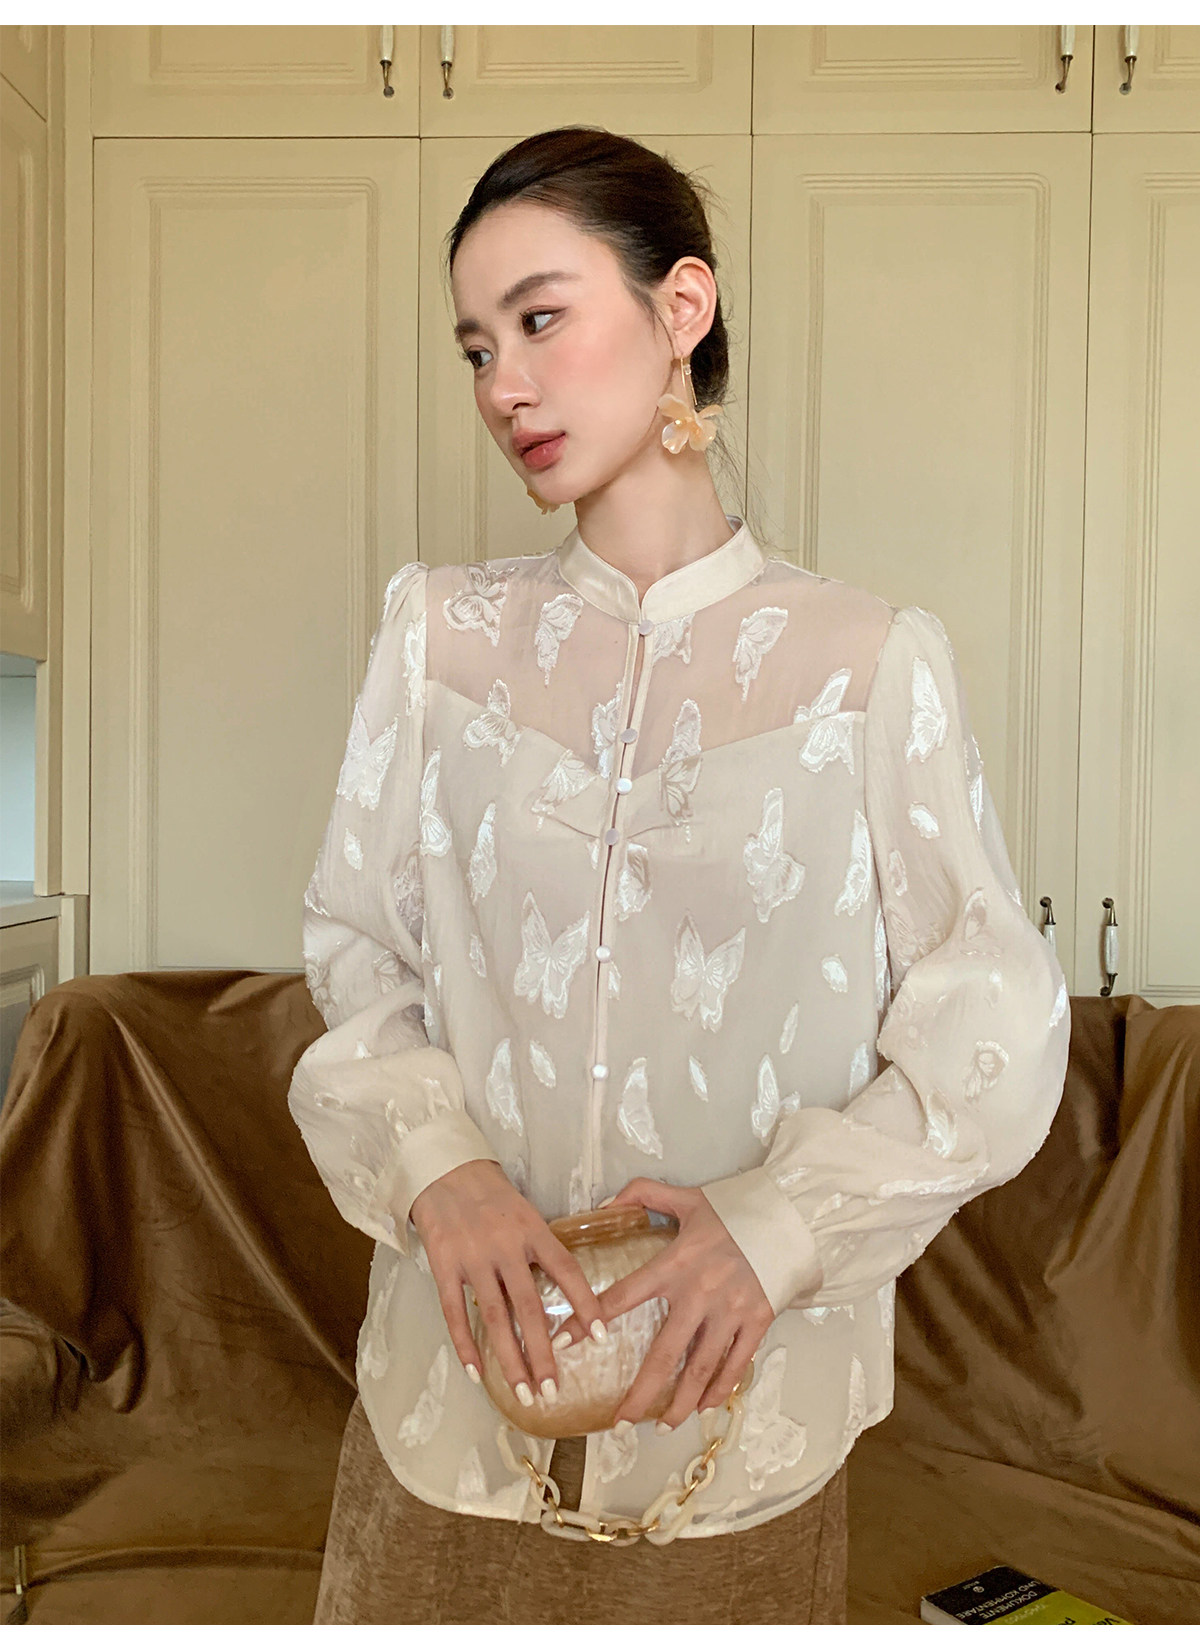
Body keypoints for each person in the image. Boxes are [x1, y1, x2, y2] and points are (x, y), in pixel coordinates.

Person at [289, 126, 1071, 1625]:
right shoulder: (436, 639)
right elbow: (356, 944)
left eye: (540, 318)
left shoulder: (870, 665)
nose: (502, 386)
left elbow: (995, 1023)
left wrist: (781, 1225)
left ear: (681, 309)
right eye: (476, 348)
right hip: (448, 1419)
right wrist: (436, 1161)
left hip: (738, 1435)